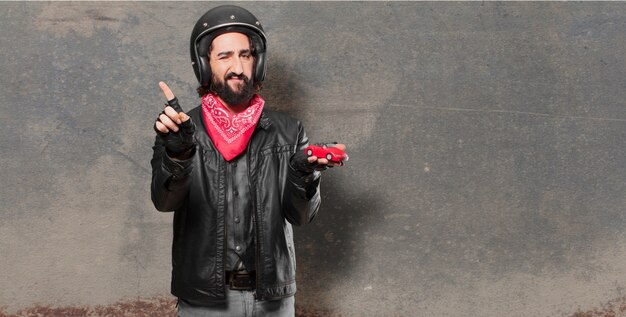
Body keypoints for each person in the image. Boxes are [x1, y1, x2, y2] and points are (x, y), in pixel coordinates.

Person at [150, 5, 347, 316]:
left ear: (258, 61)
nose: (238, 67)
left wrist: (303, 174)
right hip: (205, 300)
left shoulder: (289, 131)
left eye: (246, 54)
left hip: (272, 300)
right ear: (205, 64)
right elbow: (164, 201)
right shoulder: (179, 130)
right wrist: (178, 153)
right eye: (225, 56)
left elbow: (301, 216)